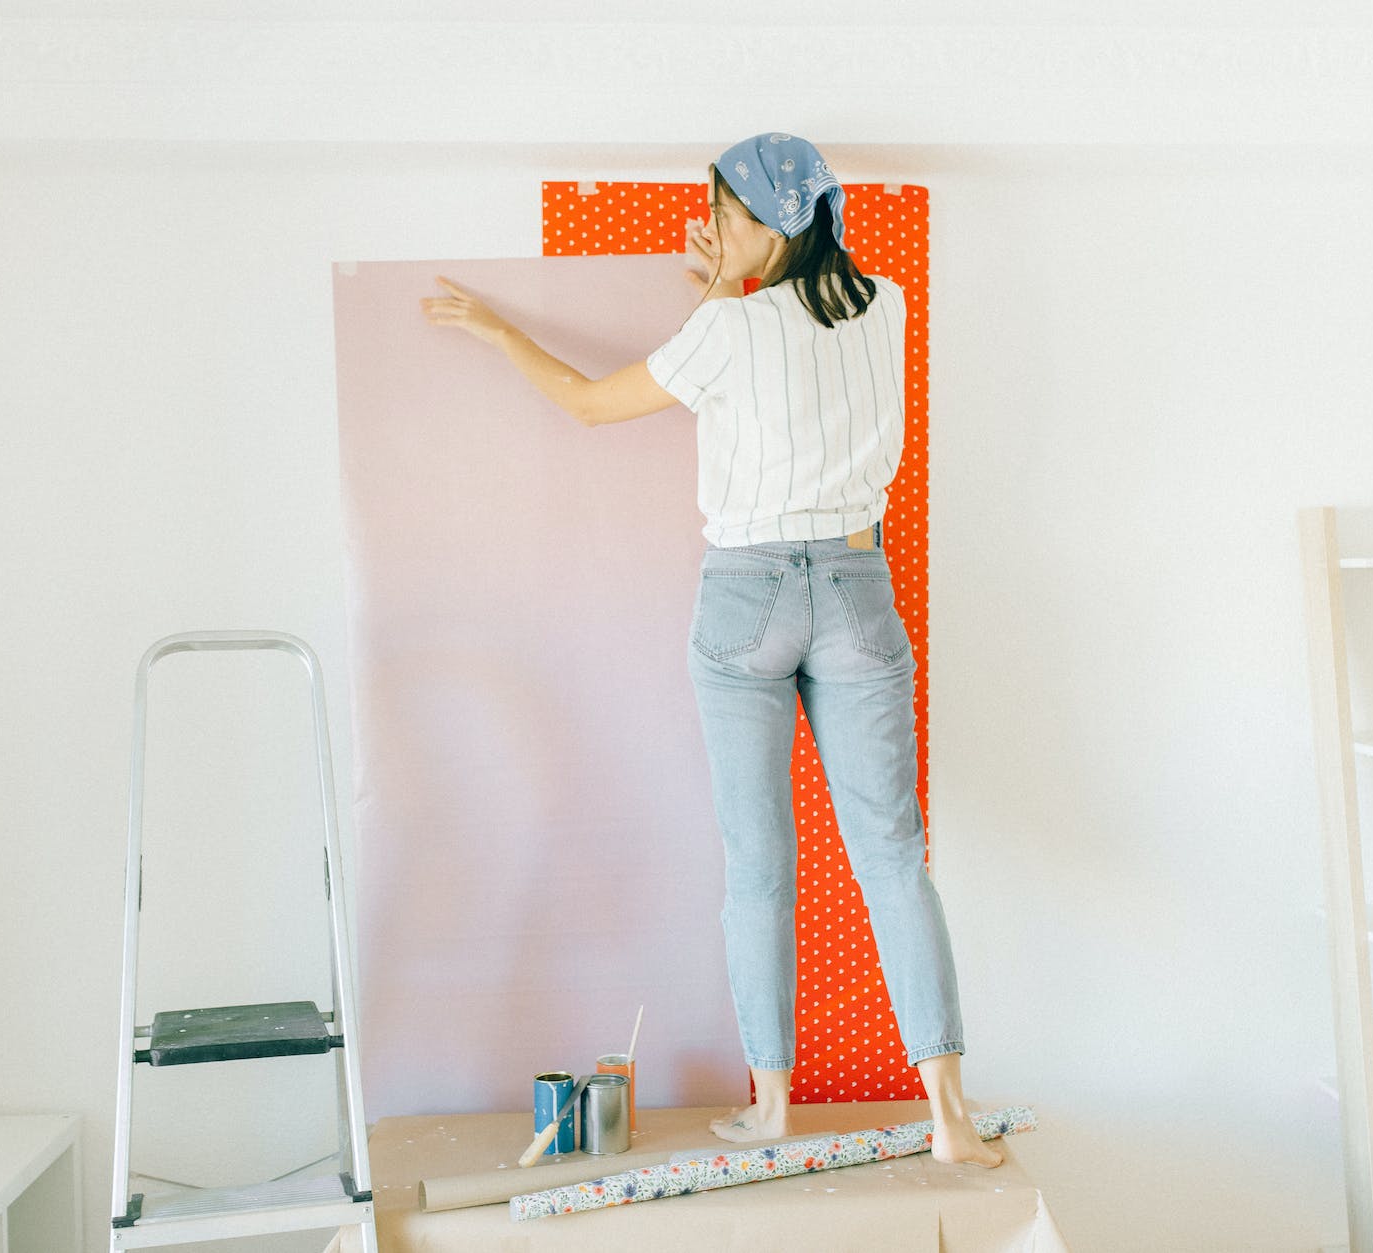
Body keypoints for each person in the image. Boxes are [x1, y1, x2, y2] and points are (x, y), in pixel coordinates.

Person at [422, 132, 1001, 1168]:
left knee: (758, 863)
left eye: (727, 216)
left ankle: (771, 1106)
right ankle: (951, 1116)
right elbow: (797, 362)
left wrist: (500, 330)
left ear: (776, 223)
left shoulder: (725, 330)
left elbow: (589, 403)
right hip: (856, 585)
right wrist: (730, 283)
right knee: (893, 860)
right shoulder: (888, 304)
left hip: (747, 596)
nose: (712, 229)